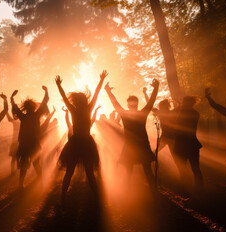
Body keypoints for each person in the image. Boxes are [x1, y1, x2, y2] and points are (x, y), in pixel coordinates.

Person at [56, 70, 107, 205]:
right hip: (84, 142)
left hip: (77, 142)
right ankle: (94, 198)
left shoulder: (75, 109)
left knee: (71, 171)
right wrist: (101, 80)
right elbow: (95, 94)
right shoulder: (86, 108)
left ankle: (63, 198)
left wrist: (59, 85)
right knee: (87, 172)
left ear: (77, 101)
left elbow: (94, 94)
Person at [105, 79, 159, 191]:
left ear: (128, 104)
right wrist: (155, 88)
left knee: (130, 170)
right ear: (136, 104)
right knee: (147, 170)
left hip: (131, 145)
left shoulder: (125, 114)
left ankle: (128, 190)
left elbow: (115, 103)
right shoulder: (141, 113)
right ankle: (153, 191)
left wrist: (108, 91)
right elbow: (151, 102)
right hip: (141, 145)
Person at [11, 86, 49, 189]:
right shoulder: (36, 115)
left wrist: (12, 98)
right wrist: (46, 91)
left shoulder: (23, 116)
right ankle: (38, 182)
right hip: (32, 143)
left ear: (26, 108)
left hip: (25, 144)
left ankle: (21, 184)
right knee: (35, 164)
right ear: (33, 107)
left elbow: (15, 108)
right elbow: (44, 102)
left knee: (25, 165)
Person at [173, 96, 203, 190]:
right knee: (194, 168)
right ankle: (197, 188)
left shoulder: (185, 112)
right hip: (191, 144)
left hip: (184, 144)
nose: (183, 103)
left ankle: (188, 188)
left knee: (185, 168)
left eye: (184, 102)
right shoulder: (194, 113)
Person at [151, 99, 181, 174]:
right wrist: (178, 102)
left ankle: (154, 168)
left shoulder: (161, 112)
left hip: (166, 137)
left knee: (155, 152)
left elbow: (151, 106)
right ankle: (182, 174)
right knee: (176, 157)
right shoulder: (171, 112)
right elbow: (179, 107)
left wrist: (145, 93)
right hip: (172, 137)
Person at [6, 111, 20, 175]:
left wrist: (6, 111)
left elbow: (9, 119)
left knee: (14, 158)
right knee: (16, 157)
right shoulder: (20, 121)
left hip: (17, 141)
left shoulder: (16, 122)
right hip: (19, 141)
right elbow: (9, 119)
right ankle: (15, 171)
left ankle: (14, 171)